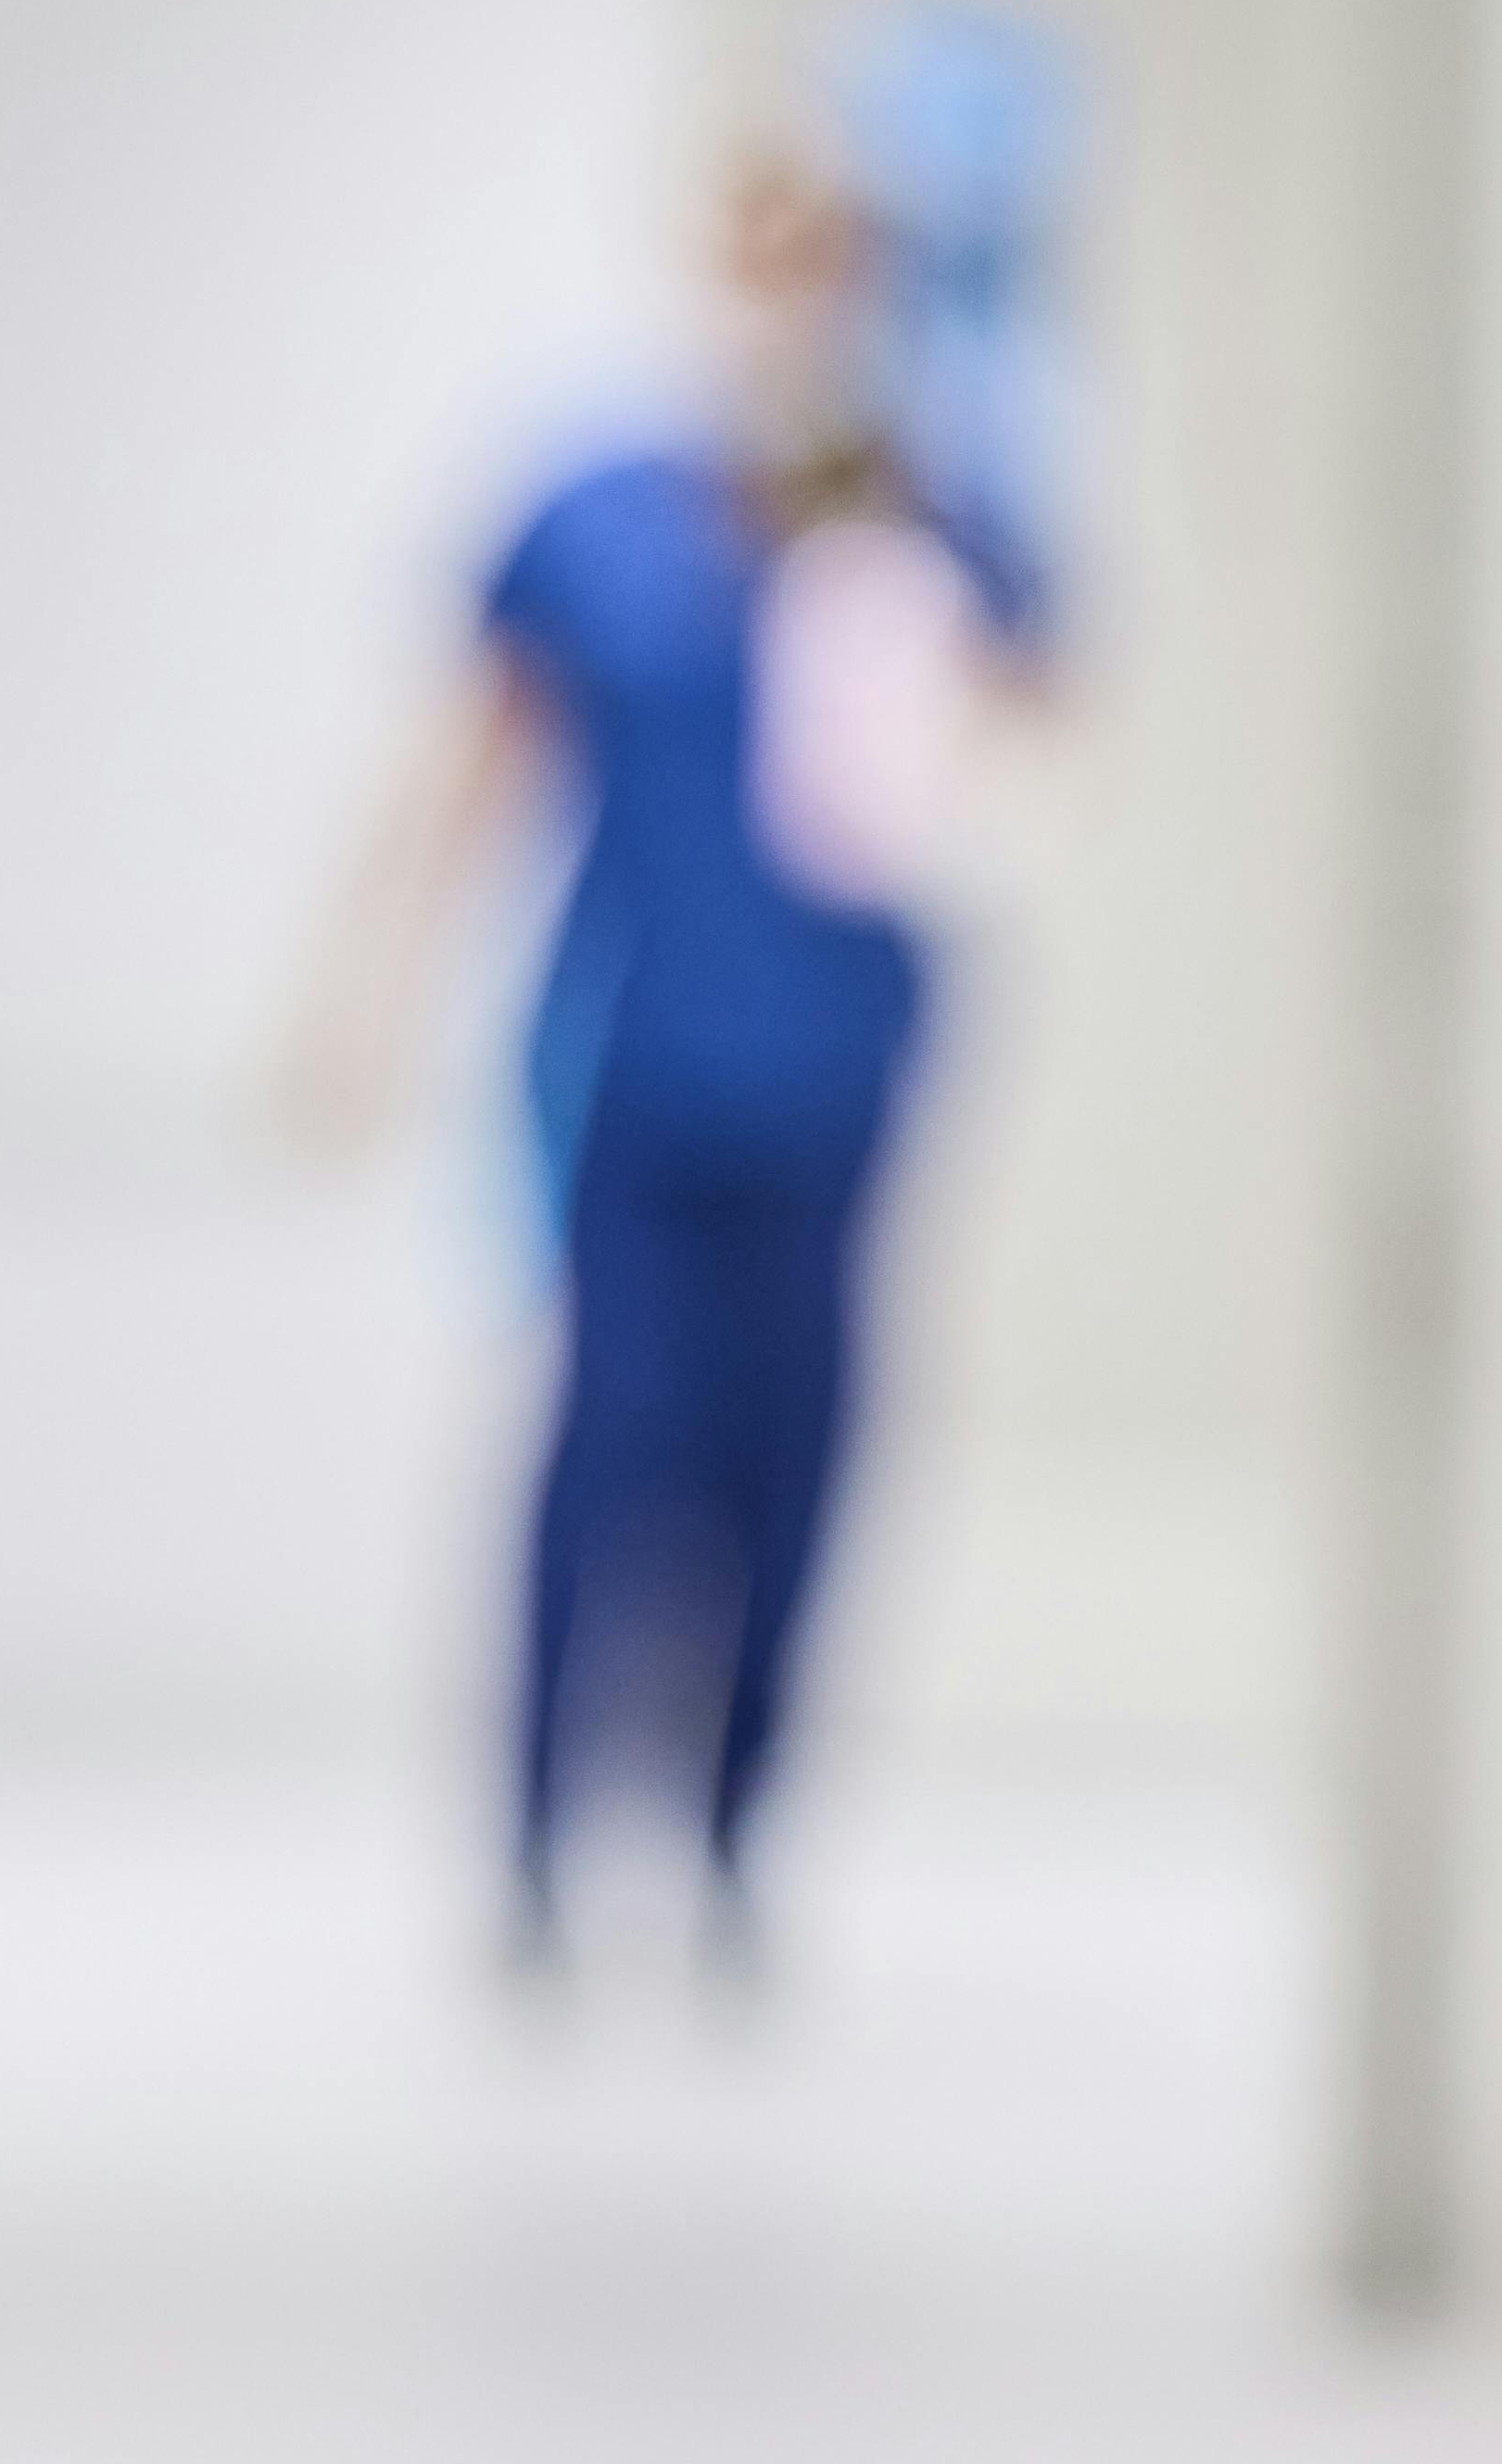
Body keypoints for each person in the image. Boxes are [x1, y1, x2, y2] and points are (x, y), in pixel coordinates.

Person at [301, 153, 1046, 1985]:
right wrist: (360, 993)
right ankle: (544, 1842)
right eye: (757, 260)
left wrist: (885, 583)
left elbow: (1020, 748)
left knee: (793, 1457)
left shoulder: (936, 513)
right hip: (633, 1058)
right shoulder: (596, 510)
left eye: (826, 263)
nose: (788, 300)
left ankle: (732, 1839)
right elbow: (476, 758)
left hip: (842, 1063)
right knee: (608, 1437)